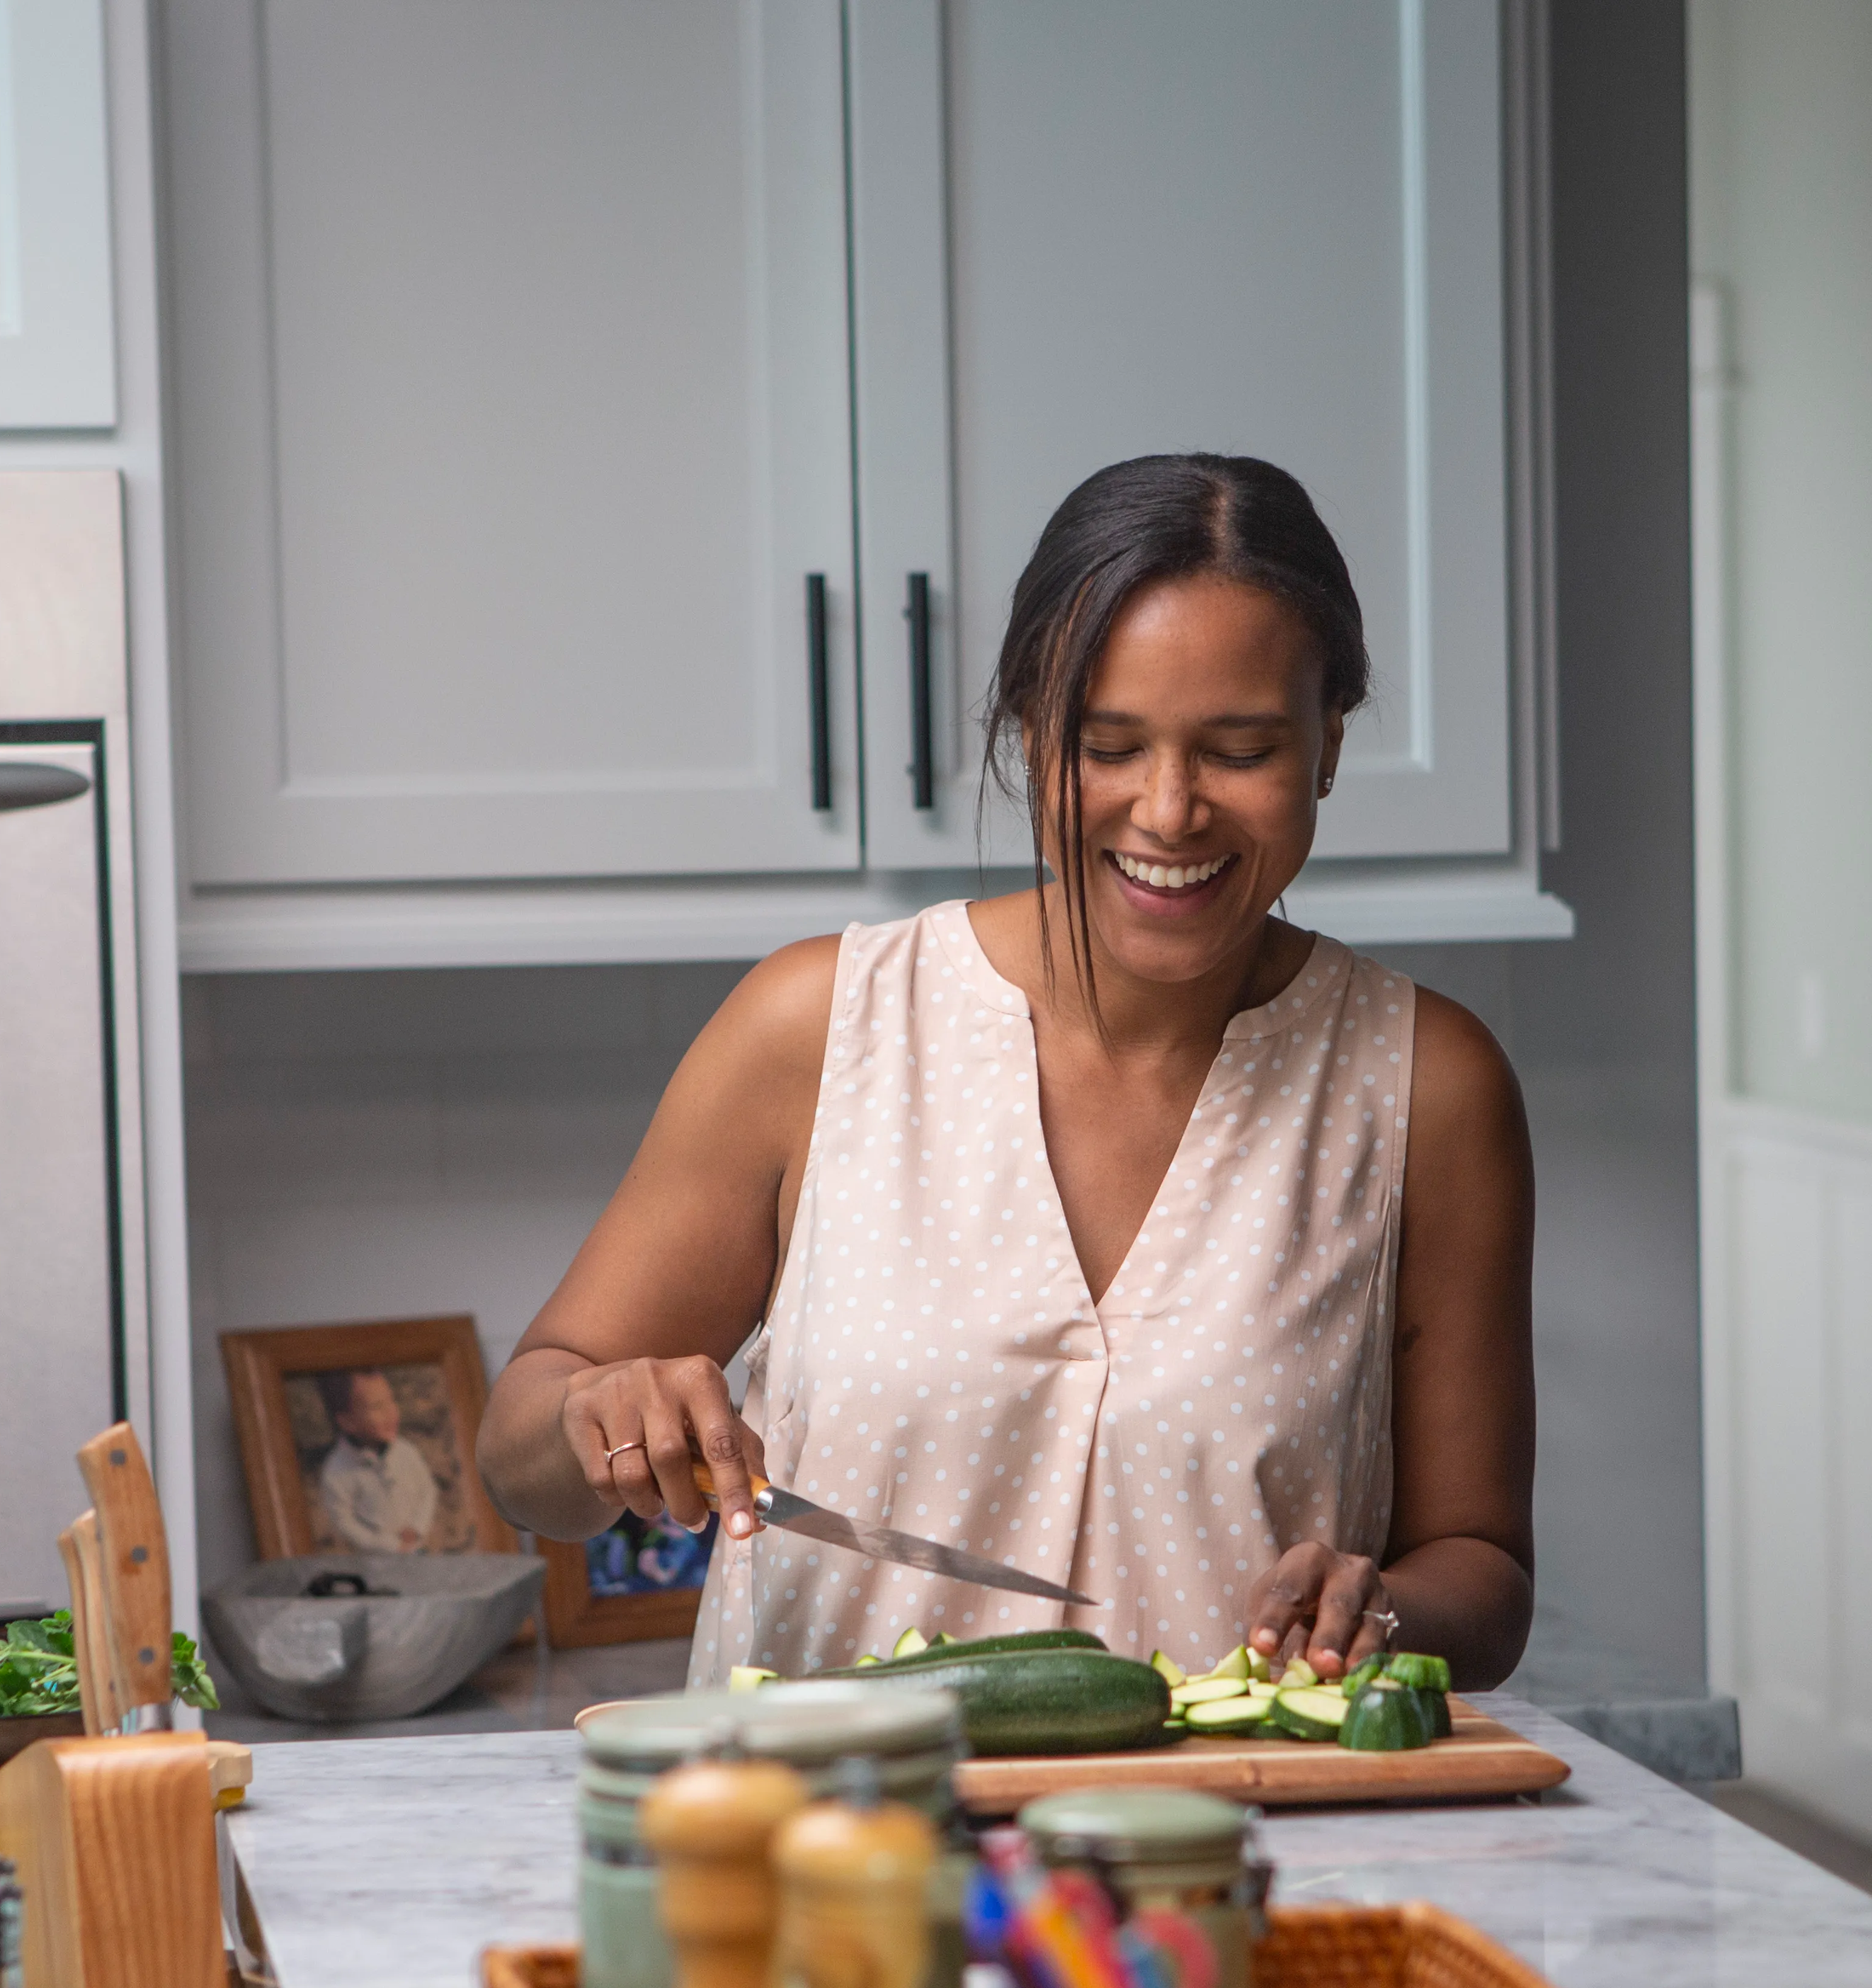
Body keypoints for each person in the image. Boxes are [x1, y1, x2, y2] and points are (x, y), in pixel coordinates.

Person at [478, 453, 1535, 1690]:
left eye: (1241, 748)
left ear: (1329, 744)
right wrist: (593, 1419)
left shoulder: (1427, 1087)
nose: (1171, 810)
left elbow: (1483, 1567)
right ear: (1029, 735)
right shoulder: (815, 1028)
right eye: (1108, 745)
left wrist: (1382, 1613)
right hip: (830, 1856)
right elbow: (519, 1454)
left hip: (1233, 1854)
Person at [314, 1367, 443, 1555]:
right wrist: (388, 1545)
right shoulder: (337, 1471)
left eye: (391, 1401)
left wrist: (417, 1528)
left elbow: (427, 1490)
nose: (390, 1412)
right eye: (377, 1407)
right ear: (348, 1422)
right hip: (377, 1558)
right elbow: (345, 1522)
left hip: (418, 1548)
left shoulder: (406, 1452)